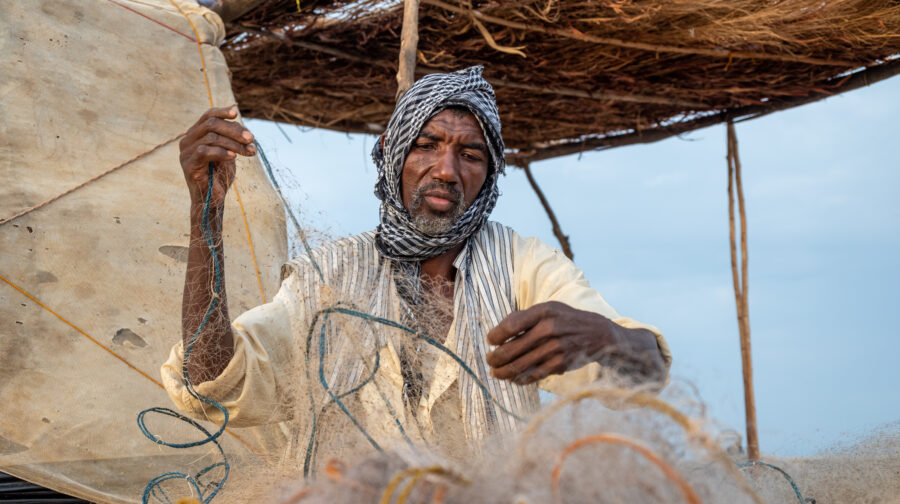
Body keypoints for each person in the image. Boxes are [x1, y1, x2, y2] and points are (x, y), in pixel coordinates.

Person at [162, 67, 671, 468]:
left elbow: (644, 374)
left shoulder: (522, 266)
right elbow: (214, 384)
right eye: (427, 145)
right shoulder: (332, 273)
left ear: (490, 175)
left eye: (470, 154)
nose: (446, 170)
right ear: (391, 153)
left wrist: (606, 337)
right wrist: (205, 212)